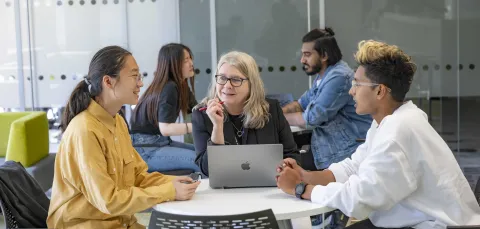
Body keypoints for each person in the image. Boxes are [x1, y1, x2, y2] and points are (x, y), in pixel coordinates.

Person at [276, 40, 480, 228]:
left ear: (380, 91)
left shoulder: (397, 132)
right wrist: (306, 175)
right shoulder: (391, 120)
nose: (351, 91)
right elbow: (354, 167)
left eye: (357, 84)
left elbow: (359, 200)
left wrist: (301, 188)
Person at [47, 46, 201, 229]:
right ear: (109, 81)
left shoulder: (118, 122)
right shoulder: (85, 130)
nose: (140, 83)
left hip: (120, 222)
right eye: (135, 76)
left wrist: (172, 182)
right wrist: (169, 191)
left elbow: (139, 177)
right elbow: (109, 201)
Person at [191, 51, 300, 177]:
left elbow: (292, 155)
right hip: (223, 192)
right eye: (222, 78)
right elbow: (207, 171)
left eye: (236, 79)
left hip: (267, 188)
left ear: (251, 84)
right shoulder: (202, 115)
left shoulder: (271, 109)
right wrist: (217, 127)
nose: (227, 85)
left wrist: (285, 168)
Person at [282, 28, 372, 170]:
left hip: (344, 154)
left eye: (307, 55)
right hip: (327, 147)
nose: (302, 60)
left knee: (285, 165)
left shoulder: (339, 77)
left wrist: (278, 119)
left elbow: (312, 118)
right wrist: (278, 112)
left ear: (324, 55)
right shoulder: (323, 75)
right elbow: (301, 104)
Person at [130, 43, 200, 173]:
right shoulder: (169, 88)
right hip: (145, 150)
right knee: (201, 160)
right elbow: (166, 129)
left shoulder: (181, 86)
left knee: (205, 155)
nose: (191, 63)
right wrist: (197, 126)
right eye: (186, 60)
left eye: (191, 58)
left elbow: (197, 110)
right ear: (173, 63)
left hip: (160, 143)